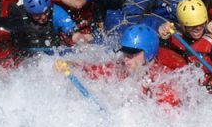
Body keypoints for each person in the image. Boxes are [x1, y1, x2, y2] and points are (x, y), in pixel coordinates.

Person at [53, 24, 187, 107]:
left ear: (148, 53)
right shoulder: (121, 68)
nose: (126, 58)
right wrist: (69, 65)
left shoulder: (161, 81)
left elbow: (170, 121)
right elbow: (92, 71)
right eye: (125, 52)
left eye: (132, 53)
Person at [9, 0, 78, 58]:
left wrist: (80, 40)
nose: (43, 17)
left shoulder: (56, 12)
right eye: (37, 15)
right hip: (25, 56)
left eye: (46, 12)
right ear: (28, 13)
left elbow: (74, 34)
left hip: (53, 57)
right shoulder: (18, 16)